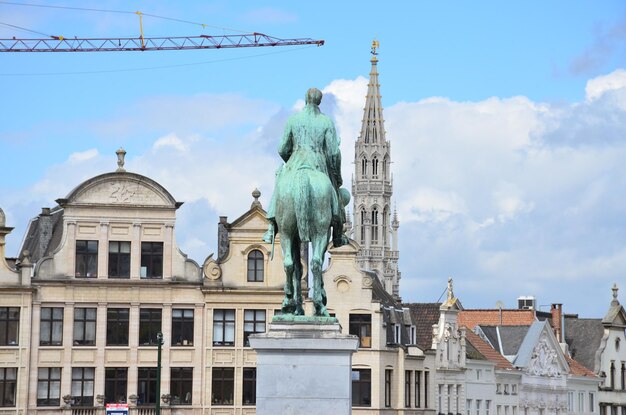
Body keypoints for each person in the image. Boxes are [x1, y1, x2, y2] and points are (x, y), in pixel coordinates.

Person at [263, 87, 348, 247]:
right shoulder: (326, 122)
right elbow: (334, 153)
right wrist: (337, 175)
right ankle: (338, 234)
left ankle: (271, 227)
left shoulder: (293, 120)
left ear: (305, 99)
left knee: (281, 181)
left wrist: (291, 160)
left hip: (295, 164)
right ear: (319, 101)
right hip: (319, 167)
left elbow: (282, 148)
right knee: (335, 196)